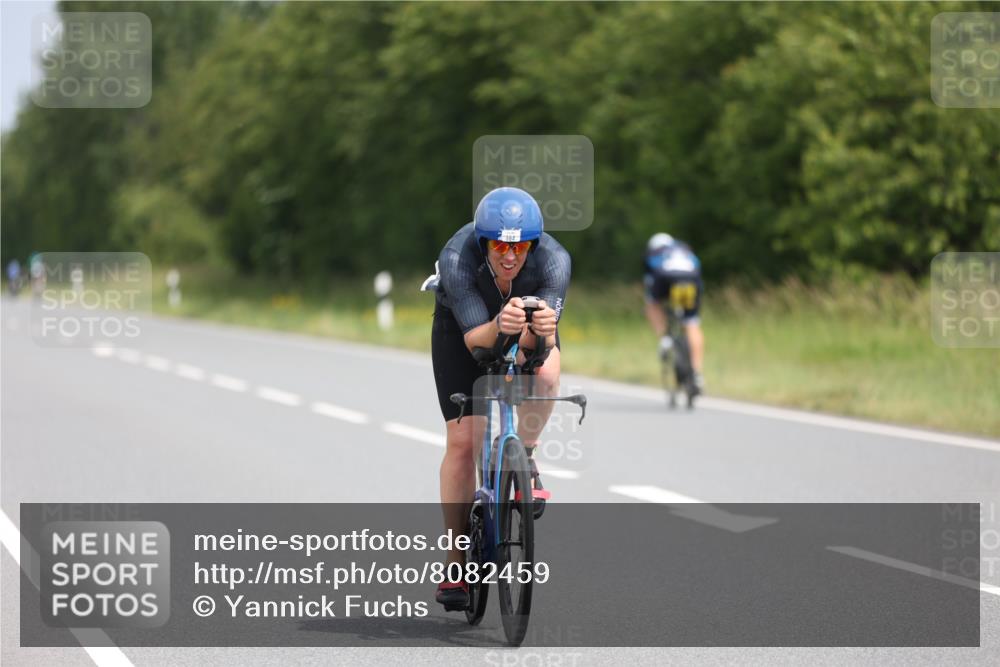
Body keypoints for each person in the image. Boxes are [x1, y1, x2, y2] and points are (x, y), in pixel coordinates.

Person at [429, 186, 570, 611]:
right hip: (464, 331)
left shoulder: (554, 261)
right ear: (483, 242)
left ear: (534, 244)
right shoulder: (457, 258)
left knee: (545, 373)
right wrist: (500, 323)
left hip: (524, 327)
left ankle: (524, 453)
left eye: (520, 246)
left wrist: (536, 331)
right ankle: (456, 563)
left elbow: (536, 349)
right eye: (499, 246)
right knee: (464, 442)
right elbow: (477, 344)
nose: (510, 256)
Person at [643, 232, 705, 393]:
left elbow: (650, 280)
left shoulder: (654, 252)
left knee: (652, 305)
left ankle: (665, 339)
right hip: (691, 278)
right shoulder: (684, 249)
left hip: (665, 277)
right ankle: (697, 373)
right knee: (691, 323)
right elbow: (698, 267)